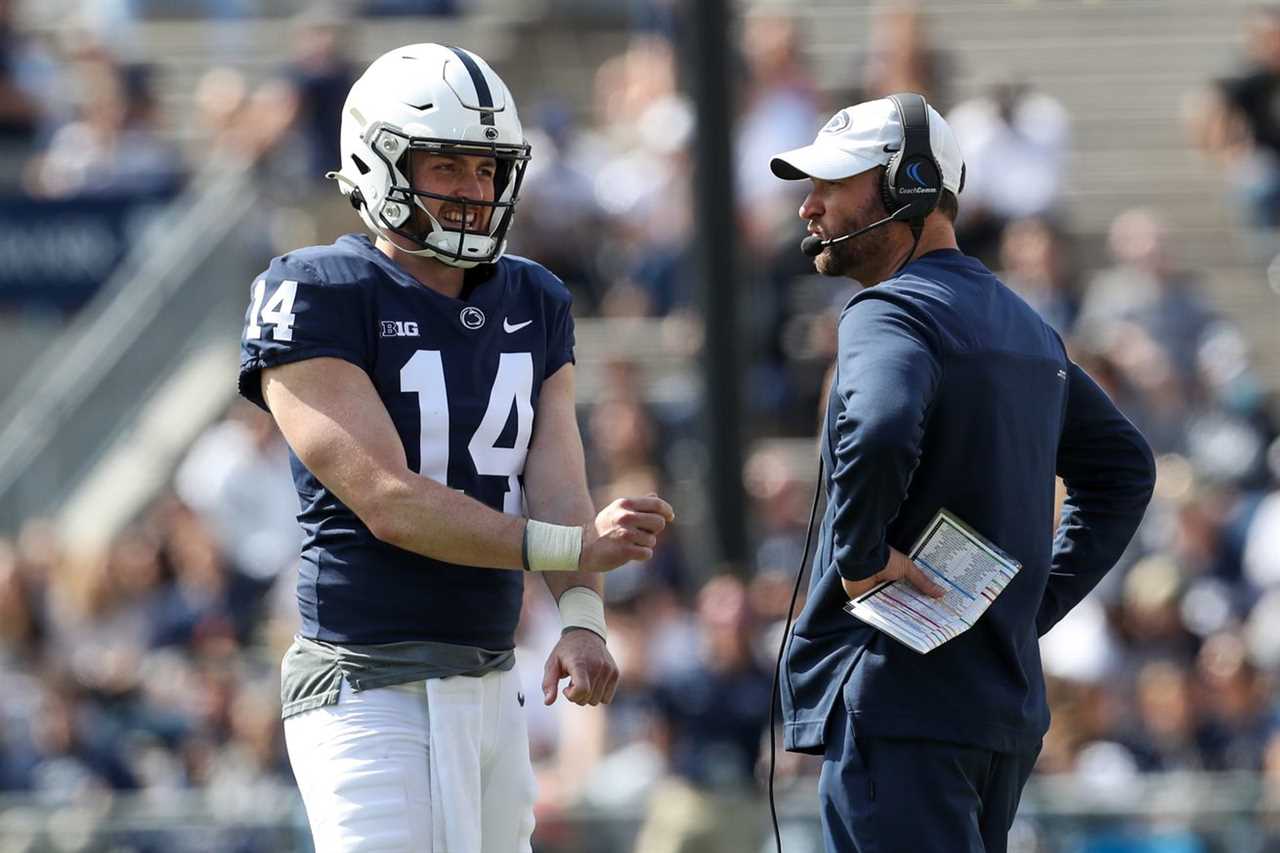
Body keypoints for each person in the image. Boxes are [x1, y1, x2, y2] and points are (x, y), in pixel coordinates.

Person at [237, 43, 675, 852]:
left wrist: (580, 615)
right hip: (366, 681)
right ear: (377, 162)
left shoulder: (535, 296)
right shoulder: (315, 289)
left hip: (490, 676)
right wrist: (574, 547)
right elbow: (391, 501)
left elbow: (556, 480)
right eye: (446, 168)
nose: (473, 193)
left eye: (486, 170)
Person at [768, 94, 1157, 852]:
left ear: (911, 185)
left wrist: (862, 556)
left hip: (901, 710)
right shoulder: (1026, 323)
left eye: (833, 184)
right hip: (994, 715)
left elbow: (880, 426)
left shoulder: (888, 313)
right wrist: (1028, 607)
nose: (809, 207)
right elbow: (1125, 470)